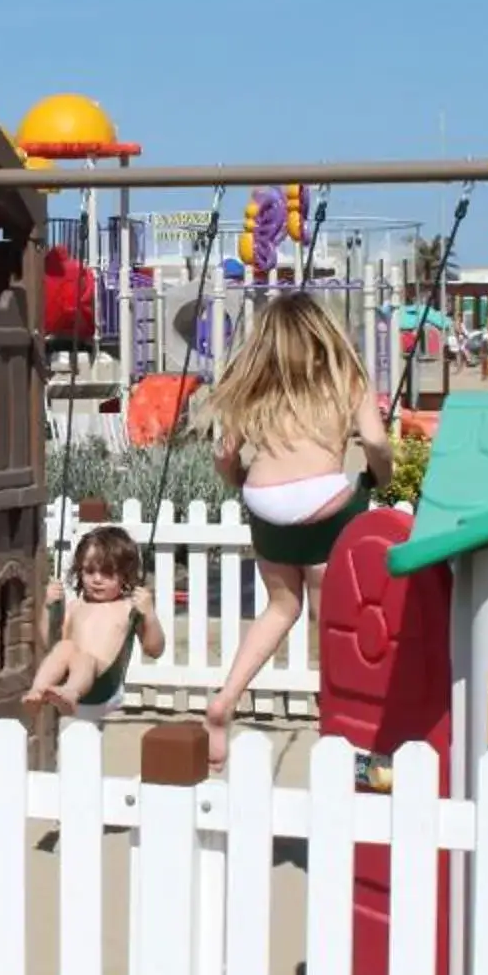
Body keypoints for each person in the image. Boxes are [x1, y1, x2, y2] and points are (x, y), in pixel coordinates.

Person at [203, 292, 392, 756]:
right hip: (323, 505)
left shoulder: (256, 386)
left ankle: (226, 698)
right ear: (323, 334)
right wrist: (377, 479)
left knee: (281, 607)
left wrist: (240, 481)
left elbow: (224, 455)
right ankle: (334, 707)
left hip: (264, 504)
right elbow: (375, 441)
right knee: (330, 618)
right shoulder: (347, 379)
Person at [25, 524, 166, 715]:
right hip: (73, 676)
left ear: (125, 575)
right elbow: (48, 642)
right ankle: (38, 691)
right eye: (90, 571)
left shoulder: (127, 608)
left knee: (85, 658)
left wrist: (149, 614)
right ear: (79, 571)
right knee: (64, 647)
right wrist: (48, 606)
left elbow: (154, 650)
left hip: (104, 685)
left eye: (107, 573)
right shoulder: (75, 606)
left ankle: (70, 693)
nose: (97, 579)